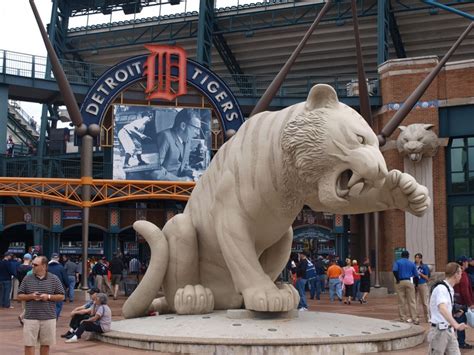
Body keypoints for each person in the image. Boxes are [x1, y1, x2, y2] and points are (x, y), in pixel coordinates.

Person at [17, 256, 65, 355]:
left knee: (45, 344)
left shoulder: (54, 278)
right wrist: (31, 296)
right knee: (29, 344)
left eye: (35, 265)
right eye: (32, 264)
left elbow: (62, 296)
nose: (32, 266)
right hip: (30, 317)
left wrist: (48, 297)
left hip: (48, 317)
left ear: (44, 266)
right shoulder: (27, 278)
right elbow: (19, 296)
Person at [428, 262, 467, 354]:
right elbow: (442, 308)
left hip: (448, 330)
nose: (461, 276)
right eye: (460, 273)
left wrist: (454, 313)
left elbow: (444, 308)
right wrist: (456, 325)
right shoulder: (441, 289)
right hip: (439, 331)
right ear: (455, 274)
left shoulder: (449, 288)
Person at [152, 109, 202, 181]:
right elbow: (155, 169)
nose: (198, 133)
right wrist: (179, 180)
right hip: (162, 187)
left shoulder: (187, 140)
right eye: (196, 128)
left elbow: (183, 166)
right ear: (183, 126)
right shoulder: (165, 136)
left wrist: (193, 174)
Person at [392, 250, 419, 324]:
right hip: (409, 281)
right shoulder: (411, 263)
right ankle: (415, 318)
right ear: (408, 256)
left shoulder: (397, 262)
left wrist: (397, 279)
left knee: (401, 301)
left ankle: (403, 318)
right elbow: (416, 276)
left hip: (400, 281)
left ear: (401, 256)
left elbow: (394, 271)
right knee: (412, 301)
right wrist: (416, 285)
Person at [453, 256, 474, 349]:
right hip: (461, 302)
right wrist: (470, 303)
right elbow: (465, 291)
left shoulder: (455, 273)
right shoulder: (463, 274)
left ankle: (457, 341)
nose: (467, 263)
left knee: (455, 320)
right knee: (461, 321)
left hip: (455, 301)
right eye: (466, 262)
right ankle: (461, 342)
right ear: (464, 263)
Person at [47, 253, 69, 319]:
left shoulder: (46, 267)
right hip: (59, 288)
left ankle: (49, 317)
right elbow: (65, 278)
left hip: (48, 287)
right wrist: (67, 286)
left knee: (49, 304)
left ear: (51, 258)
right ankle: (54, 317)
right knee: (58, 305)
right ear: (58, 259)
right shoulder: (61, 267)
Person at [17, 253, 33, 325]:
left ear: (23, 258)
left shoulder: (19, 267)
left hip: (21, 286)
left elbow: (17, 277)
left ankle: (24, 319)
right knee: (30, 304)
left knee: (23, 304)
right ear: (30, 259)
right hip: (29, 287)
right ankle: (23, 317)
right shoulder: (30, 268)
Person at [414, 253, 431, 323]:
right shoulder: (413, 265)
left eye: (418, 258)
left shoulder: (424, 267)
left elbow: (427, 278)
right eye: (415, 257)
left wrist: (420, 274)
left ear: (421, 259)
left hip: (422, 284)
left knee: (424, 302)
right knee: (415, 302)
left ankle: (428, 317)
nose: (416, 259)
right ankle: (416, 317)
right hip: (414, 284)